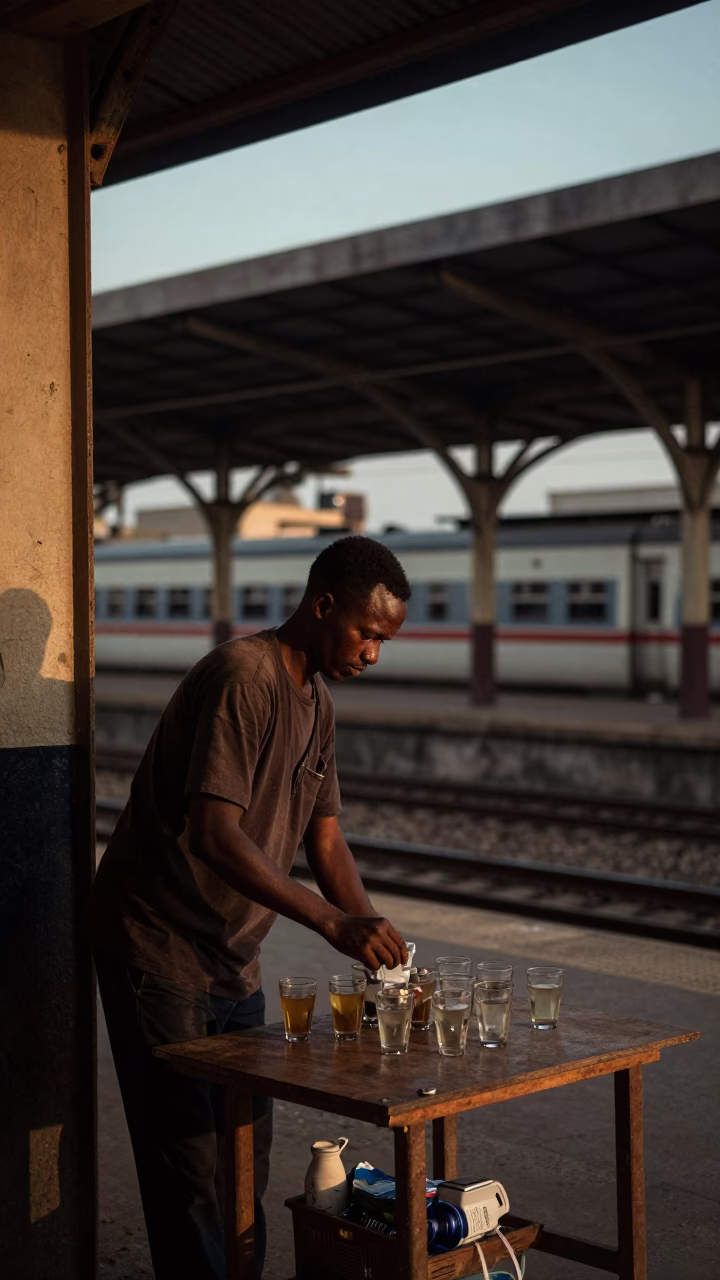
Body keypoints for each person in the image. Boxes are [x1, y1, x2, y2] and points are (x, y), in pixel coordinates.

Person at [91, 535, 411, 1280]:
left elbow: (325, 840)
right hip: (158, 948)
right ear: (323, 604)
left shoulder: (318, 703)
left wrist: (379, 947)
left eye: (384, 642)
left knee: (244, 1160)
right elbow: (213, 832)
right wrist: (332, 924)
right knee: (192, 1170)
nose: (372, 654)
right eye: (367, 633)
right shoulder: (244, 675)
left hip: (233, 958)